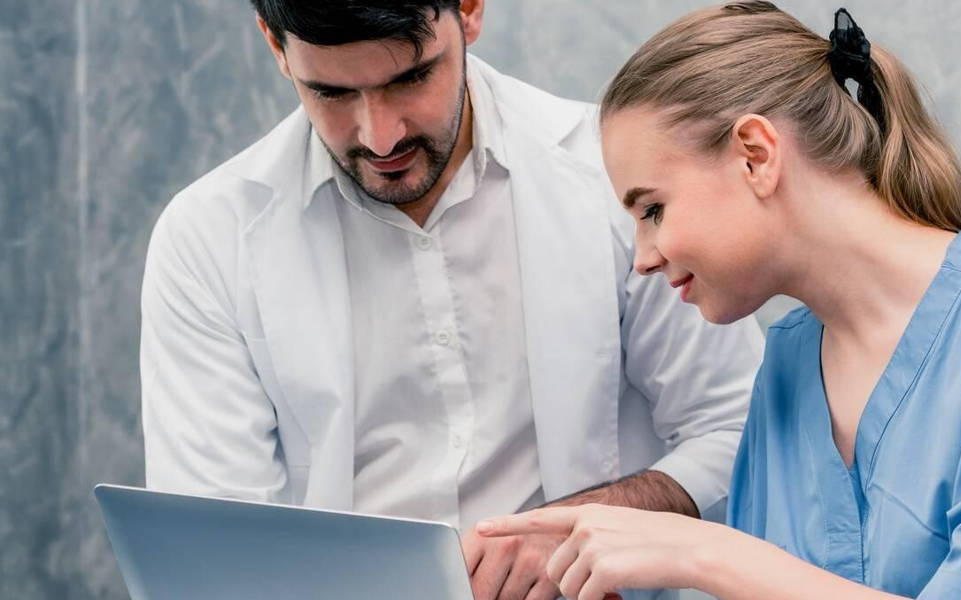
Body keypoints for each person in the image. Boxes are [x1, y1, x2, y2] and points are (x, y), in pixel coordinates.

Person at [477, 3, 961, 599]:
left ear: (756, 155)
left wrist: (702, 554)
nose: (643, 256)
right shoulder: (790, 365)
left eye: (653, 208)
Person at [138, 1, 764, 599]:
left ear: (468, 9)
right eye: (331, 93)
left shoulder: (614, 180)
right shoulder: (210, 240)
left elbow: (737, 427)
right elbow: (215, 546)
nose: (380, 137)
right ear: (276, 46)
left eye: (411, 76)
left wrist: (587, 526)